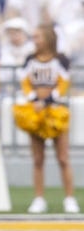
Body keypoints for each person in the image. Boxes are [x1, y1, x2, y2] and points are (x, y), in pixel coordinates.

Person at [12, 25, 78, 214]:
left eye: (38, 37)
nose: (35, 40)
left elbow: (63, 84)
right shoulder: (30, 60)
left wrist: (47, 100)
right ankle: (39, 199)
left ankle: (69, 198)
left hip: (56, 112)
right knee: (38, 158)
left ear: (48, 38)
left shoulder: (61, 60)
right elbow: (24, 83)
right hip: (36, 112)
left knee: (63, 157)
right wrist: (35, 99)